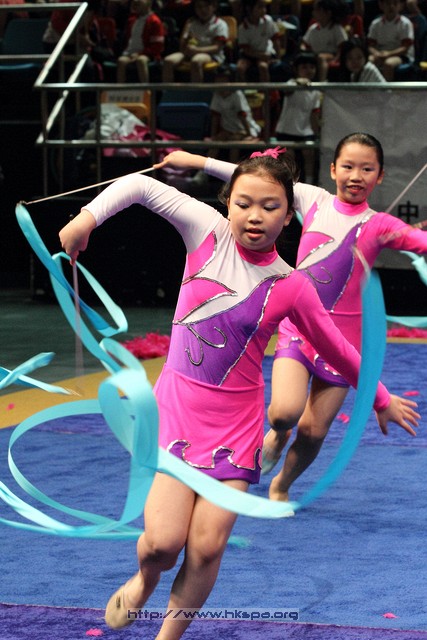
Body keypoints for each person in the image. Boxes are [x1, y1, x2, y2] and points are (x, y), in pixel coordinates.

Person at [58, 146, 418, 637]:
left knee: (207, 547)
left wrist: (380, 398)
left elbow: (336, 347)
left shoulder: (290, 285)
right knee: (162, 545)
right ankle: (144, 580)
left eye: (270, 207)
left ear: (289, 216)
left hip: (236, 426)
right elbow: (139, 186)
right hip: (179, 410)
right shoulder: (204, 231)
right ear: (227, 202)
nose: (255, 216)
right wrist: (86, 220)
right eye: (244, 203)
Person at [160, 136, 426, 505]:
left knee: (314, 430)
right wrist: (194, 160)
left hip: (343, 340)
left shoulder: (380, 224)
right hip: (299, 330)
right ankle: (279, 432)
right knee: (284, 413)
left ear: (380, 176)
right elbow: (254, 180)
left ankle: (282, 484)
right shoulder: (313, 199)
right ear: (332, 169)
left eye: (367, 169)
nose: (356, 176)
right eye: (348, 166)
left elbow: (420, 242)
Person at [274, 51, 321, 183]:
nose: (308, 70)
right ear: (296, 69)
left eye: (312, 67)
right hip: (286, 129)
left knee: (309, 155)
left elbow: (314, 114)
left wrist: (317, 134)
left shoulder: (316, 90)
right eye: (304, 67)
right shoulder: (291, 83)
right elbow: (286, 90)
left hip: (305, 131)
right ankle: (290, 185)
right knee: (289, 158)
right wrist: (297, 82)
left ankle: (310, 183)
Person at [205, 64, 261, 162]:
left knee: (233, 142)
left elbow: (242, 116)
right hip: (229, 130)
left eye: (223, 80)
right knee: (216, 142)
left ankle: (233, 168)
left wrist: (249, 135)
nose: (220, 83)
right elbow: (215, 117)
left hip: (245, 129)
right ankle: (204, 169)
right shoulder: (217, 94)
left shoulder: (237, 94)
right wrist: (213, 136)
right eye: (218, 80)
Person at [161, 0, 228, 83]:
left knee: (196, 61)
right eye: (199, 7)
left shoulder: (220, 24)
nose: (203, 10)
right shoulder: (192, 23)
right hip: (190, 52)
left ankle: (196, 90)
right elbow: (182, 47)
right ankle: (168, 90)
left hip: (211, 55)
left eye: (206, 6)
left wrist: (197, 50)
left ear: (214, 7)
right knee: (168, 61)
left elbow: (217, 47)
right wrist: (186, 30)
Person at [116, 0, 165, 83]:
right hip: (130, 53)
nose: (136, 1)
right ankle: (120, 89)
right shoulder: (131, 20)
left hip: (148, 54)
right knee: (121, 61)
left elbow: (157, 47)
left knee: (141, 61)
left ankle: (145, 88)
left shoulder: (155, 21)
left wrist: (139, 54)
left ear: (149, 3)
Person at [300, 0, 349, 80]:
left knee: (321, 58)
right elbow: (305, 43)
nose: (313, 13)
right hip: (314, 55)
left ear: (328, 13)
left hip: (330, 55)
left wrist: (336, 59)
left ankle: (322, 82)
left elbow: (342, 47)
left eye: (317, 10)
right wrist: (303, 49)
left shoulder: (337, 28)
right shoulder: (312, 28)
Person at [236, 0, 283, 82]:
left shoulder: (268, 21)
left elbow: (275, 40)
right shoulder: (242, 28)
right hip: (250, 54)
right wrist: (260, 55)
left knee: (263, 67)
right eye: (260, 7)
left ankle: (266, 89)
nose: (264, 10)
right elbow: (246, 50)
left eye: (264, 7)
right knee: (240, 68)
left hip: (265, 51)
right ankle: (243, 88)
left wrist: (278, 58)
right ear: (249, 9)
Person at [367, 0, 415, 81]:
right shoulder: (375, 24)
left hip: (400, 56)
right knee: (369, 61)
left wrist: (389, 54)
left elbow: (405, 48)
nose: (391, 6)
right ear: (381, 5)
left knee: (388, 64)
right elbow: (370, 45)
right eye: (388, 3)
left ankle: (386, 88)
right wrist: (376, 53)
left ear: (400, 6)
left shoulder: (405, 23)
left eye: (395, 3)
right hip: (380, 54)